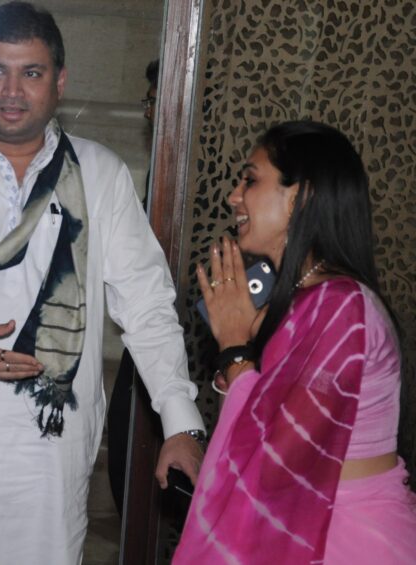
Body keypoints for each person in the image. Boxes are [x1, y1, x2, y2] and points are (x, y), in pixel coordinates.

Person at [0, 3, 205, 563]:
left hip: (48, 456)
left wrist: (180, 422)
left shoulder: (100, 174)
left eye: (32, 72)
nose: (12, 90)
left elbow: (146, 305)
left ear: (60, 82)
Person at [174, 121, 416, 563]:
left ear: (299, 197)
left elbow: (283, 455)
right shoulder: (305, 300)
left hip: (345, 538)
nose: (233, 196)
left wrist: (234, 348)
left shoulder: (343, 308)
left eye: (250, 179)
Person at [107, 56, 161, 516]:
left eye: (153, 101)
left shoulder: (190, 174)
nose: (149, 113)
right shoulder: (157, 170)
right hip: (141, 331)